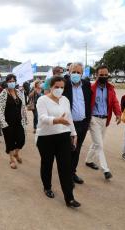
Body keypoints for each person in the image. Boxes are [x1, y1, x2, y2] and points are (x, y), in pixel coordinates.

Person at [36, 76, 80, 208]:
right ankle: (47, 187)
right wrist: (57, 120)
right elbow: (43, 118)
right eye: (57, 87)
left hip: (63, 136)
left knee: (65, 167)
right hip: (46, 137)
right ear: (50, 87)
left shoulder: (65, 100)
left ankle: (69, 198)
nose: (59, 89)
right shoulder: (42, 100)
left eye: (62, 87)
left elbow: (69, 117)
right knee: (47, 163)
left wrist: (73, 133)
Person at [85, 65, 121, 180]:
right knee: (100, 144)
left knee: (97, 142)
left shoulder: (110, 88)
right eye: (101, 75)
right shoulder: (91, 88)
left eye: (106, 75)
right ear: (96, 75)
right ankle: (105, 170)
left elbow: (115, 102)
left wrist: (118, 114)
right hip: (93, 119)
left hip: (105, 119)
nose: (104, 76)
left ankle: (89, 160)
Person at [63, 63, 92, 185]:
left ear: (82, 74)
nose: (76, 74)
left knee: (77, 149)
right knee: (68, 150)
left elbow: (88, 101)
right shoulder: (63, 84)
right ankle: (66, 175)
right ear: (69, 72)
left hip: (83, 123)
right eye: (73, 72)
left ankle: (72, 172)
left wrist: (88, 121)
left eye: (78, 72)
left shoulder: (86, 84)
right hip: (69, 124)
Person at [0, 74, 27, 169]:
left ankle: (16, 153)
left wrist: (25, 118)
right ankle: (11, 159)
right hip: (8, 122)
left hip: (19, 121)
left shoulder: (18, 92)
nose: (11, 83)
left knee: (21, 139)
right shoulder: (3, 93)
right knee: (10, 142)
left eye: (13, 81)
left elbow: (23, 106)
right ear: (6, 82)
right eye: (9, 81)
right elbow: (1, 110)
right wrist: (3, 123)